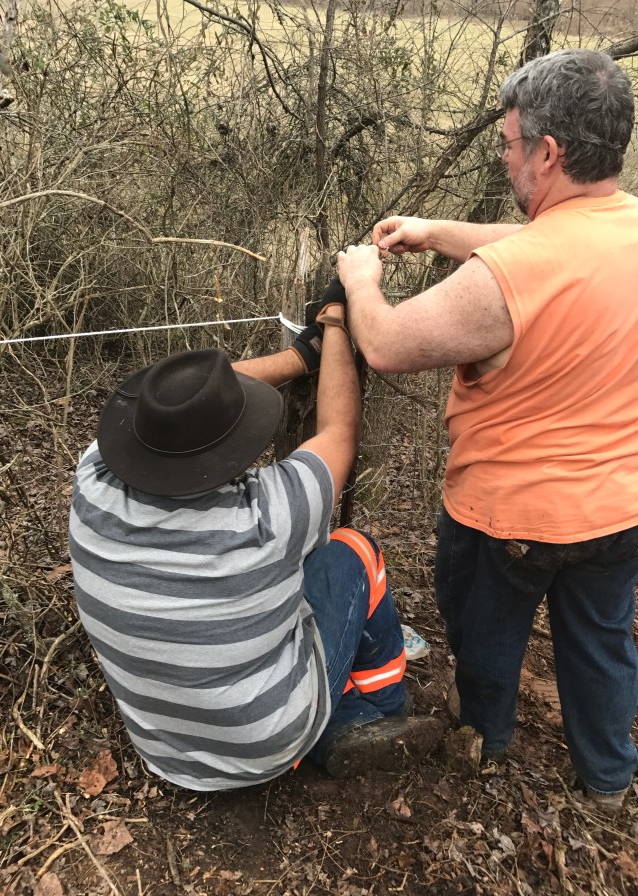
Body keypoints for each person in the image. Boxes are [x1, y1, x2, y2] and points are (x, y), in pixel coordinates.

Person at [336, 48, 638, 812]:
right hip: (618, 507)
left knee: (488, 636)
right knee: (602, 643)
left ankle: (483, 739)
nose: (504, 158)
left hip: (509, 518)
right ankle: (608, 781)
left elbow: (388, 344)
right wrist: (437, 232)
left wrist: (360, 283)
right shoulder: (625, 225)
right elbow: (550, 243)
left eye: (508, 145)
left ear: (548, 151)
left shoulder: (513, 277)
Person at [69, 285, 443, 792]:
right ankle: (372, 710)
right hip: (268, 746)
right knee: (354, 550)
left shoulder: (92, 480)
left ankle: (344, 708)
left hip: (165, 753)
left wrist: (296, 357)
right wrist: (333, 324)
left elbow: (178, 409)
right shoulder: (268, 513)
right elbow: (339, 432)